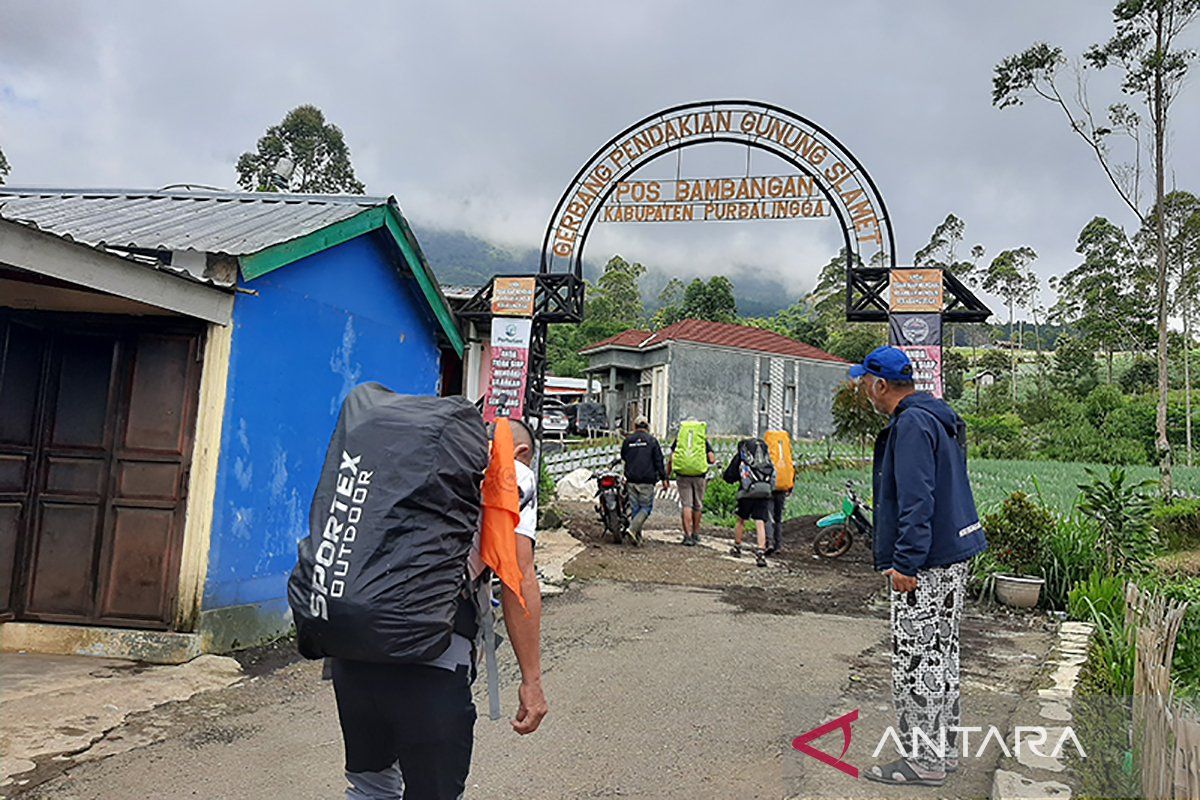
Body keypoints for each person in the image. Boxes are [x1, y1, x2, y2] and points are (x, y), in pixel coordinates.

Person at [331, 418, 548, 800]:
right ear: (522, 453)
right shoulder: (514, 474)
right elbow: (519, 580)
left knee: (370, 788)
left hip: (353, 648)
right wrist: (532, 681)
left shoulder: (399, 459)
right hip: (433, 659)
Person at [850, 346, 987, 788]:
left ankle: (923, 762)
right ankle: (941, 752)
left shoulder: (910, 425)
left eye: (865, 383)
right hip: (952, 554)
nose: (864, 391)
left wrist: (905, 562)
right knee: (941, 656)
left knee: (918, 660)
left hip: (925, 563)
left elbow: (916, 500)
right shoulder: (936, 417)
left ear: (881, 385)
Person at [721, 437, 775, 568]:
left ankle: (737, 546)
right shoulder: (765, 457)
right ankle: (761, 552)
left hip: (747, 492)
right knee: (760, 521)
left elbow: (730, 475)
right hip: (764, 491)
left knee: (741, 520)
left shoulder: (742, 455)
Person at [620, 416, 670, 545]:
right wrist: (664, 478)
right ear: (647, 427)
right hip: (647, 480)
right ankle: (632, 530)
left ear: (635, 427)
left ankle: (637, 537)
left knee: (636, 509)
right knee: (646, 508)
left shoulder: (628, 441)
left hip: (631, 479)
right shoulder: (652, 441)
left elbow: (623, 456)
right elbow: (659, 461)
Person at [668, 418, 716, 546]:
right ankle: (696, 533)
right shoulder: (702, 440)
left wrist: (666, 475)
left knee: (686, 505)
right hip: (699, 475)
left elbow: (671, 458)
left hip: (682, 475)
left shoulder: (680, 439)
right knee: (697, 504)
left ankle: (687, 536)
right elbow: (712, 459)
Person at [763, 429, 795, 556]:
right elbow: (791, 467)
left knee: (768, 516)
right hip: (783, 486)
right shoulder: (785, 448)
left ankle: (769, 542)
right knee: (778, 518)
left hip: (770, 486)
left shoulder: (767, 448)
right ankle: (778, 545)